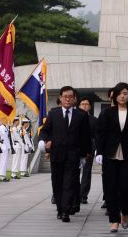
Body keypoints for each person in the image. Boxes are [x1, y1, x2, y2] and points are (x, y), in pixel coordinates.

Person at [38, 85, 92, 222]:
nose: (67, 99)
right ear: (60, 98)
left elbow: (86, 136)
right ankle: (60, 209)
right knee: (57, 183)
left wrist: (86, 154)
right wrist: (43, 141)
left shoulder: (81, 115)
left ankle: (66, 211)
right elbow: (45, 130)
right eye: (65, 97)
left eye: (70, 97)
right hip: (57, 154)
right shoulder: (53, 113)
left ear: (74, 99)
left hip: (73, 156)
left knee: (69, 183)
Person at [95, 82, 128, 232]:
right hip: (110, 153)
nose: (122, 96)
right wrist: (99, 152)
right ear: (114, 95)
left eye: (126, 93)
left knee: (127, 186)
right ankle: (114, 220)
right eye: (120, 93)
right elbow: (101, 134)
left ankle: (125, 212)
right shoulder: (107, 112)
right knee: (110, 187)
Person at [77, 97, 97, 204]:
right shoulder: (74, 117)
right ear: (79, 106)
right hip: (75, 149)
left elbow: (96, 136)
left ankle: (83, 195)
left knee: (86, 172)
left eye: (87, 104)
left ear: (90, 106)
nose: (84, 105)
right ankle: (73, 193)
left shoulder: (94, 120)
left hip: (89, 150)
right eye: (82, 104)